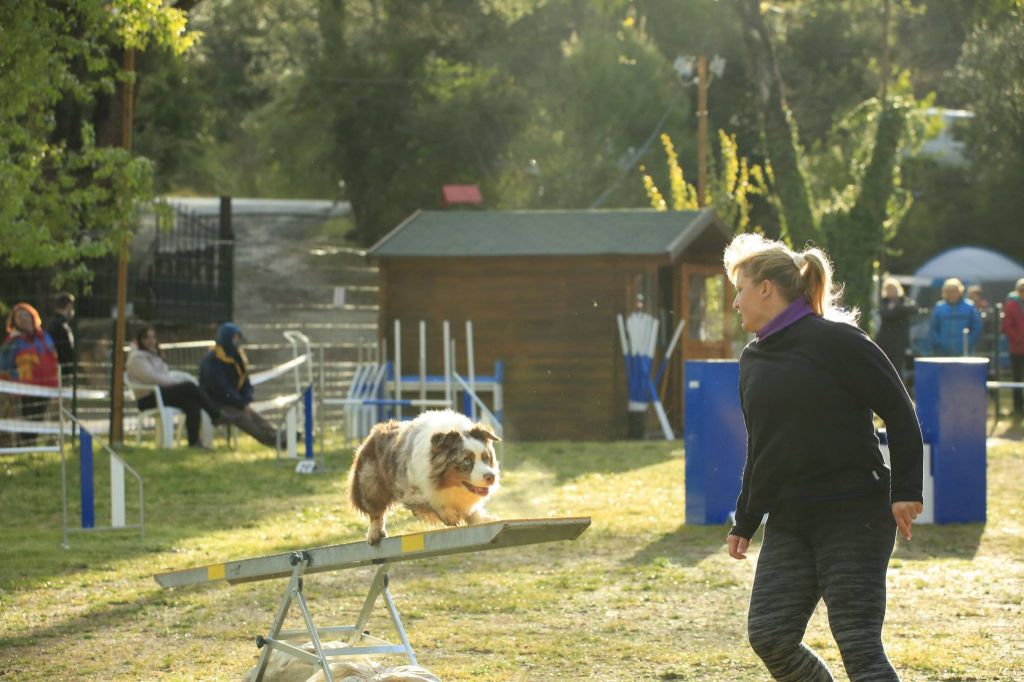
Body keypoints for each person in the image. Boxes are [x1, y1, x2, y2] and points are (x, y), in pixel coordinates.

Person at [722, 233, 924, 682]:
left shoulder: (836, 341)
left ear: (766, 289)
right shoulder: (752, 359)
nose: (735, 303)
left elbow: (899, 409)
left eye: (739, 289)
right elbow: (763, 447)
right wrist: (746, 520)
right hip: (791, 520)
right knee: (770, 635)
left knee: (857, 643)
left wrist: (906, 491)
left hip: (855, 513)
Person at [126, 326, 229, 449]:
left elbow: (164, 373)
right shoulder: (136, 358)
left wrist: (160, 360)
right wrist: (173, 383)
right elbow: (152, 377)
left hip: (161, 393)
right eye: (146, 338)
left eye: (153, 337)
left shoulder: (153, 354)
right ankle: (216, 414)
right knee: (189, 387)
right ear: (140, 340)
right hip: (148, 398)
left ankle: (194, 442)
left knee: (192, 402)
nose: (150, 341)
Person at [199, 322, 282, 448]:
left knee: (255, 417)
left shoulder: (237, 358)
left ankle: (281, 436)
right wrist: (241, 404)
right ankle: (272, 441)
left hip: (234, 402)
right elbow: (221, 389)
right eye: (234, 338)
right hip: (215, 403)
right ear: (227, 338)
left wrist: (245, 400)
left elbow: (245, 382)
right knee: (242, 418)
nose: (237, 342)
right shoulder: (212, 360)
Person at [0, 303, 60, 440]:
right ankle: (25, 445)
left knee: (40, 418)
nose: (23, 319)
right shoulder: (12, 342)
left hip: (48, 386)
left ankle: (34, 445)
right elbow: (3, 366)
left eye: (26, 315)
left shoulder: (44, 336)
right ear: (14, 321)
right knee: (27, 418)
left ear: (33, 317)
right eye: (19, 316)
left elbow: (53, 356)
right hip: (23, 390)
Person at [928, 278, 982, 356]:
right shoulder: (939, 307)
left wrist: (968, 342)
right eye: (949, 291)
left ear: (960, 291)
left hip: (964, 350)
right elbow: (933, 329)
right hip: (943, 351)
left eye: (954, 291)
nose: (952, 294)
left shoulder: (969, 306)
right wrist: (939, 342)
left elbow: (977, 327)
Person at [875, 277, 915, 376]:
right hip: (885, 341)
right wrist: (898, 310)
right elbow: (886, 314)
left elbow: (913, 309)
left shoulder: (903, 301)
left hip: (899, 342)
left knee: (898, 369)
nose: (891, 292)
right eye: (888, 289)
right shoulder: (884, 302)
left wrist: (896, 309)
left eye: (892, 289)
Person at [1001, 278, 1024, 418]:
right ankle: (1017, 407)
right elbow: (1006, 326)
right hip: (1017, 348)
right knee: (1017, 378)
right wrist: (1018, 338)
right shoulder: (1011, 305)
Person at [46, 292, 76, 382]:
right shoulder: (62, 326)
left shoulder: (52, 325)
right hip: (61, 374)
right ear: (69, 306)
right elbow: (65, 354)